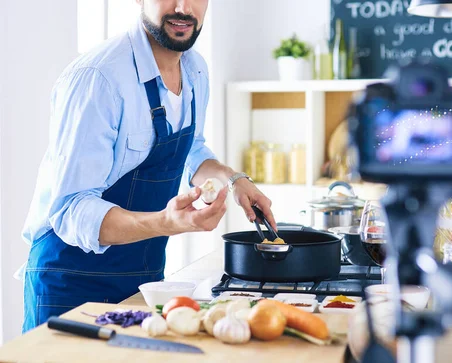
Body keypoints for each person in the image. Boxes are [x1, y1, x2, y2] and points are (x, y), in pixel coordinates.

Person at [20, 0, 276, 332]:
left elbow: (192, 150)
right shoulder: (99, 78)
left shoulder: (195, 69)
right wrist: (166, 222)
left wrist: (234, 179)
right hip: (71, 284)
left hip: (143, 281)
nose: (183, 8)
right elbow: (71, 208)